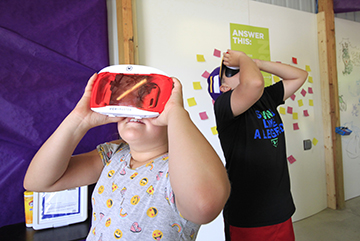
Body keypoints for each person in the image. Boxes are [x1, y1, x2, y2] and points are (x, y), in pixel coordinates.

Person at [24, 72, 230, 240]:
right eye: (129, 103)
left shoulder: (179, 169)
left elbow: (204, 206)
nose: (136, 111)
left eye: (149, 104)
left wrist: (177, 113)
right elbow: (38, 181)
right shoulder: (112, 155)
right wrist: (79, 120)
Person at [208, 50, 308, 241]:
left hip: (280, 208)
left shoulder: (265, 98)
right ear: (223, 88)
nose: (246, 71)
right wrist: (244, 59)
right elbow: (254, 83)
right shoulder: (224, 107)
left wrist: (257, 62)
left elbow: (299, 75)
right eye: (234, 72)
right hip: (249, 214)